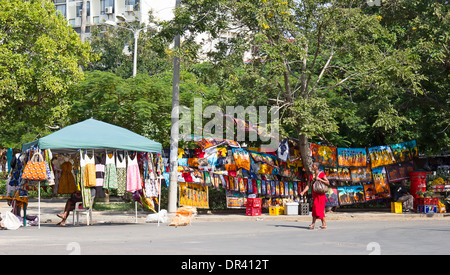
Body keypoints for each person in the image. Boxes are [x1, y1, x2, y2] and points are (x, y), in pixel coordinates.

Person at [300, 162, 330, 229]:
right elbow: (308, 185)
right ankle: (323, 224)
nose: (312, 167)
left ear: (317, 167)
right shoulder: (311, 175)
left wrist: (320, 179)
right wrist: (303, 192)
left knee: (318, 209)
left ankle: (313, 224)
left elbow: (327, 182)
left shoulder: (321, 174)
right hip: (315, 194)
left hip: (321, 194)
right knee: (316, 209)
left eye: (313, 166)